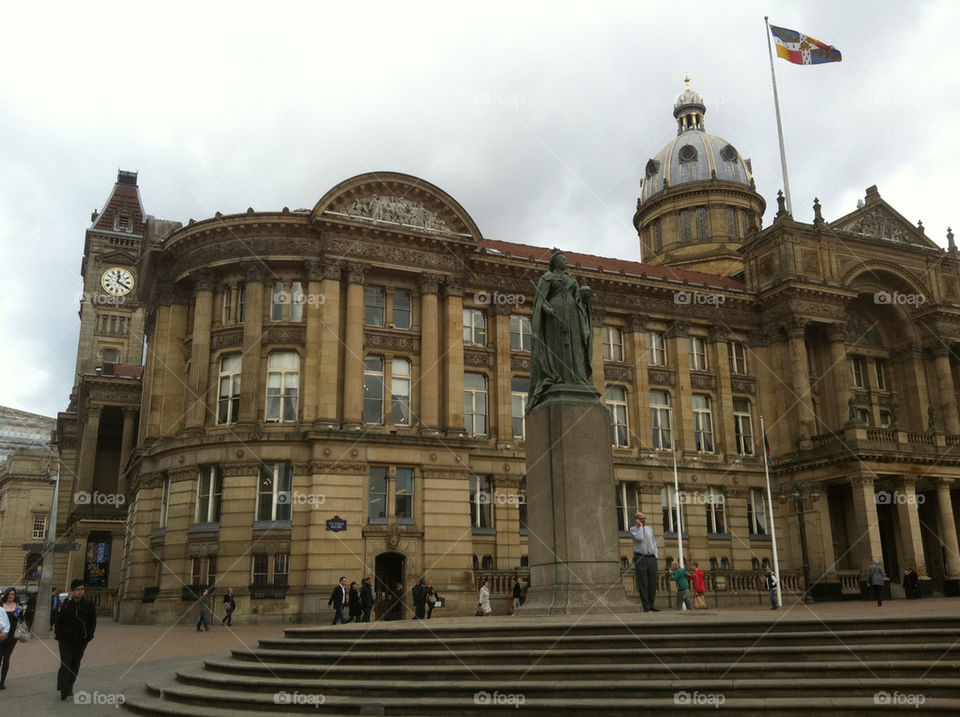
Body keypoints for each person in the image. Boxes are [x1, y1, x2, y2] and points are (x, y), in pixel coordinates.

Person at [526, 249, 594, 411]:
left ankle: (577, 377)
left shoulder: (571, 279)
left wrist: (585, 298)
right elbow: (540, 301)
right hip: (554, 316)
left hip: (573, 316)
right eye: (563, 259)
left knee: (575, 345)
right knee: (558, 347)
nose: (566, 262)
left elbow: (578, 300)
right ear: (555, 262)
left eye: (566, 260)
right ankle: (558, 377)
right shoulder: (546, 278)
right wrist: (546, 309)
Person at [54, 579, 96, 701]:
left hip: (80, 640)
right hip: (65, 639)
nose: (80, 592)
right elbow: (59, 621)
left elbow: (92, 622)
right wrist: (59, 634)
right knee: (66, 662)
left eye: (82, 589)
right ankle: (63, 687)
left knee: (75, 663)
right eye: (77, 589)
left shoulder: (88, 605)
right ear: (72, 591)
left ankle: (70, 685)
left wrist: (89, 636)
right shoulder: (67, 604)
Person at [629, 512, 660, 612]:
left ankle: (651, 604)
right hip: (640, 557)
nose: (644, 520)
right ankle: (645, 606)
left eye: (644, 519)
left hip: (651, 557)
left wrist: (656, 555)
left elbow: (653, 542)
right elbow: (639, 538)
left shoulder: (649, 529)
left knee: (653, 582)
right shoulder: (633, 529)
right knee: (643, 582)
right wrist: (640, 527)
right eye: (641, 519)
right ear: (637, 520)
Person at [1, 588, 21, 689]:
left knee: (7, 658)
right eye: (9, 594)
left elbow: (19, 622)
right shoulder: (1, 606)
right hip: (2, 635)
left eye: (13, 594)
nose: (11, 596)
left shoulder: (17, 607)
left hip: (12, 637)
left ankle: (2, 682)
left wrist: (21, 612)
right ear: (6, 595)